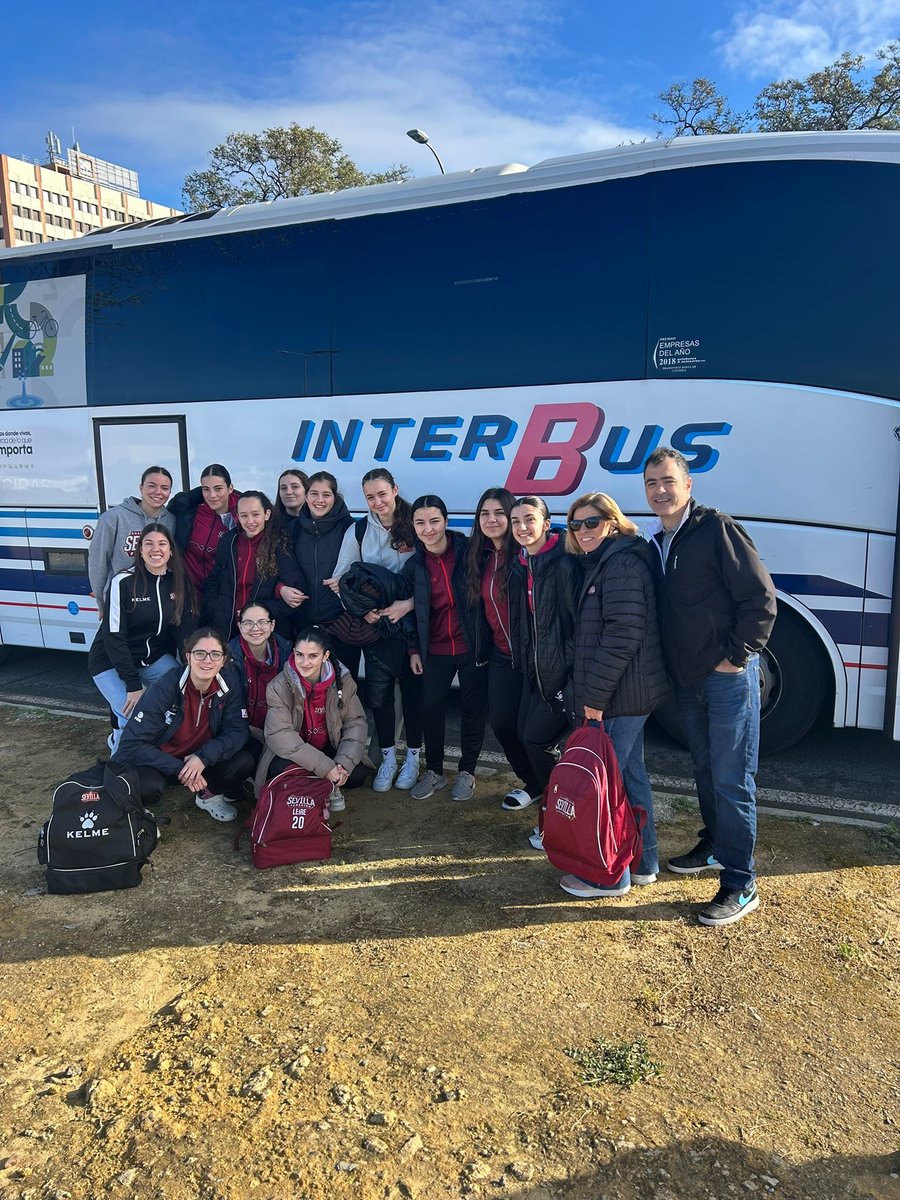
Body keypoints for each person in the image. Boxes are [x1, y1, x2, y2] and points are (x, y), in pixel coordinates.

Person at [643, 446, 777, 927]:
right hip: (688, 682)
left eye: (668, 481)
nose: (660, 490)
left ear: (688, 484)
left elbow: (760, 599)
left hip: (726, 680)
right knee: (705, 769)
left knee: (732, 778)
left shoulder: (716, 529)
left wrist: (735, 658)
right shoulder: (660, 542)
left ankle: (741, 882)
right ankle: (716, 843)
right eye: (651, 483)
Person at [554, 491, 670, 899]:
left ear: (613, 522)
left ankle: (609, 875)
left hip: (620, 695)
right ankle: (643, 862)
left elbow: (623, 634)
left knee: (607, 786)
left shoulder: (620, 563)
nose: (583, 530)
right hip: (629, 692)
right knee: (630, 776)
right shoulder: (606, 561)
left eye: (593, 522)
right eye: (576, 524)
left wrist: (596, 697)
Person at [326, 468, 422, 792]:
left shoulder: (416, 523)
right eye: (370, 497)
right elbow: (342, 578)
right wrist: (362, 609)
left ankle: (412, 758)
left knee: (413, 694)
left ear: (395, 489)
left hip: (411, 624)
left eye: (382, 493)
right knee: (379, 696)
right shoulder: (358, 530)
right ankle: (387, 759)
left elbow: (433, 577)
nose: (377, 502)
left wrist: (407, 605)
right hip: (376, 627)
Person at [111, 627, 251, 823]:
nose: (207, 660)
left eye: (215, 654)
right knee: (149, 786)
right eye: (200, 653)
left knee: (246, 759)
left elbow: (238, 731)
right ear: (188, 657)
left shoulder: (229, 684)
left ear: (223, 660)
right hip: (163, 763)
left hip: (200, 761)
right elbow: (131, 745)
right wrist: (178, 768)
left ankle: (209, 795)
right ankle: (136, 814)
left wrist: (203, 757)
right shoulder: (165, 687)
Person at [404, 495, 488, 801]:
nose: (428, 529)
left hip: (471, 645)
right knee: (431, 709)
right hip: (435, 649)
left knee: (472, 710)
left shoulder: (469, 551)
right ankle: (435, 771)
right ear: (413, 526)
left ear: (446, 521)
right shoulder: (413, 566)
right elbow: (411, 614)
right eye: (420, 523)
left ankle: (467, 771)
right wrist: (414, 649)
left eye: (434, 521)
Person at [465, 486, 541, 810]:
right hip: (500, 656)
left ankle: (553, 788)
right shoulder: (480, 557)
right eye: (485, 513)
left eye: (499, 513)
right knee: (501, 724)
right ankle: (533, 783)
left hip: (531, 658)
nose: (491, 519)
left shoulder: (524, 556)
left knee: (530, 731)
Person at [89, 523, 195, 754]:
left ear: (171, 550)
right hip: (110, 661)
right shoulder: (123, 581)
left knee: (184, 696)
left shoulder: (177, 582)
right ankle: (121, 763)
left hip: (152, 659)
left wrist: (192, 665)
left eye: (162, 544)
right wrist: (133, 685)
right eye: (149, 543)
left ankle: (165, 754)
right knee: (132, 717)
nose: (155, 549)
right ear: (140, 550)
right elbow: (114, 636)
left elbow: (182, 630)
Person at [509, 496, 580, 800]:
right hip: (537, 671)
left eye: (529, 519)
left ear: (547, 524)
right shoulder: (524, 563)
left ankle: (561, 803)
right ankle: (544, 793)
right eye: (515, 521)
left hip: (562, 674)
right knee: (523, 733)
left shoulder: (564, 563)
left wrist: (565, 667)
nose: (522, 527)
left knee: (537, 739)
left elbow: (580, 625)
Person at [254, 626, 368, 813]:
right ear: (293, 653)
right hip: (296, 752)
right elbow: (280, 735)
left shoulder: (343, 681)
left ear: (325, 656)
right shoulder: (278, 685)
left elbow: (356, 723)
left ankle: (329, 787)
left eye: (313, 656)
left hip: (329, 744)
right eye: (299, 655)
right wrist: (326, 768)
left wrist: (341, 764)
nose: (304, 662)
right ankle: (321, 793)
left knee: (356, 774)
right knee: (279, 769)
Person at [204, 490, 306, 640]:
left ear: (267, 514)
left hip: (265, 630)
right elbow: (215, 577)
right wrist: (216, 608)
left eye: (256, 514)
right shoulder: (229, 541)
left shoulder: (278, 544)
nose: (250, 521)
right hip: (229, 627)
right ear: (237, 517)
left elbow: (297, 591)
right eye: (244, 515)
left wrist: (262, 613)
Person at [292, 471, 359, 676]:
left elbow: (366, 570)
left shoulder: (351, 528)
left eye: (326, 494)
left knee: (344, 683)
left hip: (342, 623)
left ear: (335, 497)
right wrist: (282, 589)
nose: (319, 500)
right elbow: (281, 570)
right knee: (307, 684)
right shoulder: (293, 529)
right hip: (303, 622)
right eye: (314, 493)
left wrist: (346, 581)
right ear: (306, 496)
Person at [88, 466, 175, 603]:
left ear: (170, 492)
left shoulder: (171, 520)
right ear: (141, 488)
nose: (158, 492)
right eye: (152, 486)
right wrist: (102, 602)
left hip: (158, 600)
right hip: (122, 599)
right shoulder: (113, 518)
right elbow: (97, 561)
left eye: (164, 488)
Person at [228, 601, 292, 772]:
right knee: (241, 763)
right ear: (240, 627)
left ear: (272, 625)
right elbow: (224, 709)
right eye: (248, 622)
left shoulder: (288, 653)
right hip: (240, 730)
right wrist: (251, 730)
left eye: (262, 622)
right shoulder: (227, 657)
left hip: (279, 730)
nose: (255, 628)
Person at [168, 463, 241, 593]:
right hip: (187, 592)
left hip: (221, 593)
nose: (212, 495)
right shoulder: (189, 510)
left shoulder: (242, 516)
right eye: (206, 489)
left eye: (218, 489)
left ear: (230, 488)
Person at [276, 469, 310, 535]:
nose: (288, 492)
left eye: (295, 487)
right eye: (283, 488)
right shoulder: (270, 525)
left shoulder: (319, 523)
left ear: (306, 490)